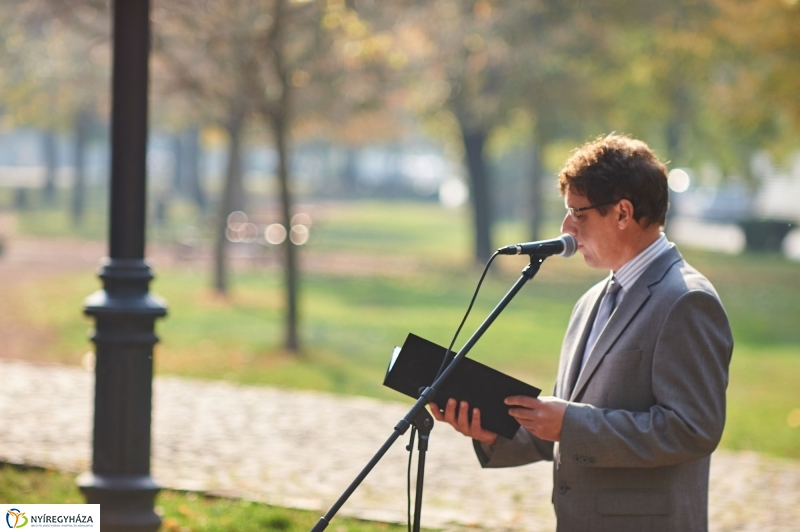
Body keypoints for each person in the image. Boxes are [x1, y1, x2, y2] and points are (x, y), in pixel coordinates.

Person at [430, 134, 733, 532]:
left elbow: (692, 430)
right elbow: (562, 423)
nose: (566, 228)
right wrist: (494, 433)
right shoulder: (590, 301)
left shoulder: (686, 301)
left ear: (623, 213)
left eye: (579, 213)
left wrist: (572, 425)